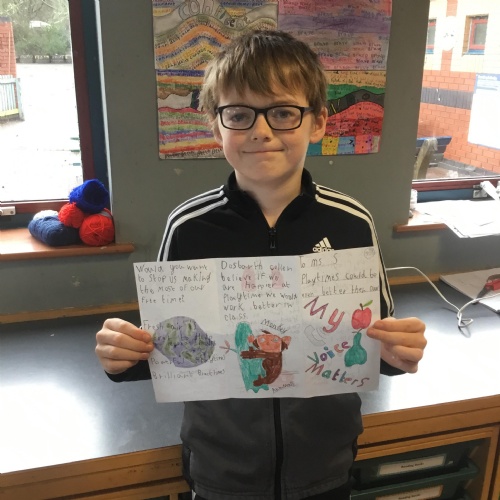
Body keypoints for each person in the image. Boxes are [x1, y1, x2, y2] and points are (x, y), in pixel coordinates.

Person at [95, 30, 426, 500]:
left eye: (284, 112)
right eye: (238, 114)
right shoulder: (188, 227)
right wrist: (123, 357)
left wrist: (399, 351)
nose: (261, 131)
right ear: (217, 128)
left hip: (324, 466)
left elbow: (377, 346)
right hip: (222, 470)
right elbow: (169, 351)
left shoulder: (353, 222)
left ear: (318, 123)